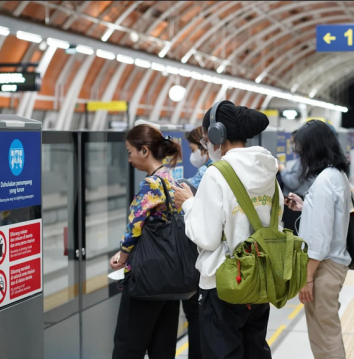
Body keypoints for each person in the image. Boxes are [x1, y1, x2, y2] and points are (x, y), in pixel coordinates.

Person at [171, 100, 278, 359]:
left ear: (218, 135)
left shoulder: (217, 174)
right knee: (255, 350)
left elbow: (206, 238)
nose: (207, 146)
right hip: (261, 279)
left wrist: (188, 205)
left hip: (224, 284)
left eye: (207, 140)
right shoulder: (268, 170)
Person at [111, 124, 182, 359]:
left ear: (144, 151)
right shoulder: (170, 178)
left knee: (127, 345)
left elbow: (135, 226)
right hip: (170, 277)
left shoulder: (150, 184)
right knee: (162, 347)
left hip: (146, 278)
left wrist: (121, 256)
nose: (129, 159)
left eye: (130, 152)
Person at [283, 120, 352, 359]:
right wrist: (305, 207)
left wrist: (308, 277)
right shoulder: (336, 175)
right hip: (333, 264)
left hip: (323, 268)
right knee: (325, 331)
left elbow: (320, 239)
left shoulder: (323, 182)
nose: (300, 154)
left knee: (325, 335)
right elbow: (330, 217)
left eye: (302, 148)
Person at [177, 127, 208, 359]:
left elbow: (182, 189)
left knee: (196, 316)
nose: (192, 155)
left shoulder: (207, 173)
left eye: (193, 149)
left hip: (199, 259)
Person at [278, 130, 313, 235]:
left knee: (292, 235)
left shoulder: (304, 162)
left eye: (293, 142)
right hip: (295, 203)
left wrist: (282, 169)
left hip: (296, 203)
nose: (291, 145)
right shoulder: (304, 160)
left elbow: (293, 182)